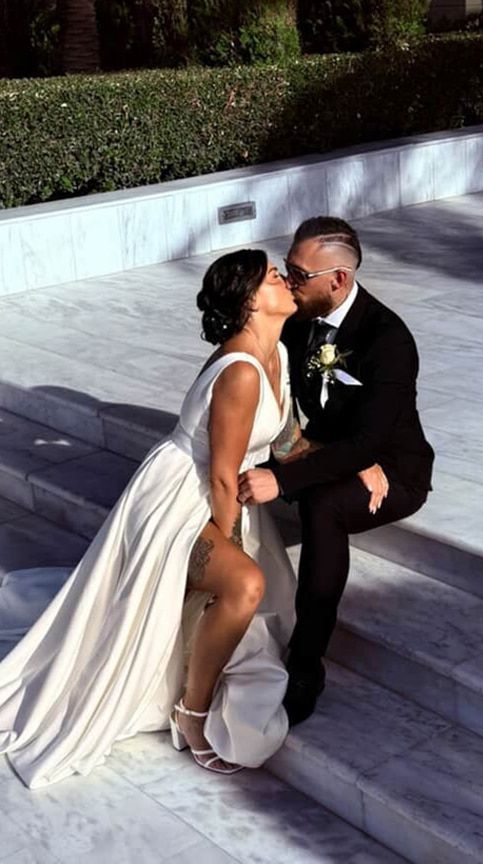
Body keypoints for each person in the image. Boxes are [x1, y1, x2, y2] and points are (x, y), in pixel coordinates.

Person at [0, 249, 300, 788]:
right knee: (245, 583)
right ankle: (192, 711)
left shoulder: (276, 352)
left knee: (245, 585)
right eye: (275, 277)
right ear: (251, 302)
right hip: (178, 499)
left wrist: (360, 462)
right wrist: (230, 549)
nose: (286, 280)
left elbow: (287, 442)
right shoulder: (241, 372)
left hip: (214, 493)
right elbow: (222, 478)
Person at [238, 217, 435, 726]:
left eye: (299, 275)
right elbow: (277, 395)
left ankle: (306, 664)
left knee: (323, 505)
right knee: (232, 469)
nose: (288, 282)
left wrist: (285, 479)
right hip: (330, 450)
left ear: (339, 279)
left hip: (396, 469)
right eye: (287, 268)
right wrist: (297, 452)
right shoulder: (299, 318)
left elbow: (370, 440)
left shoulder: (388, 339)